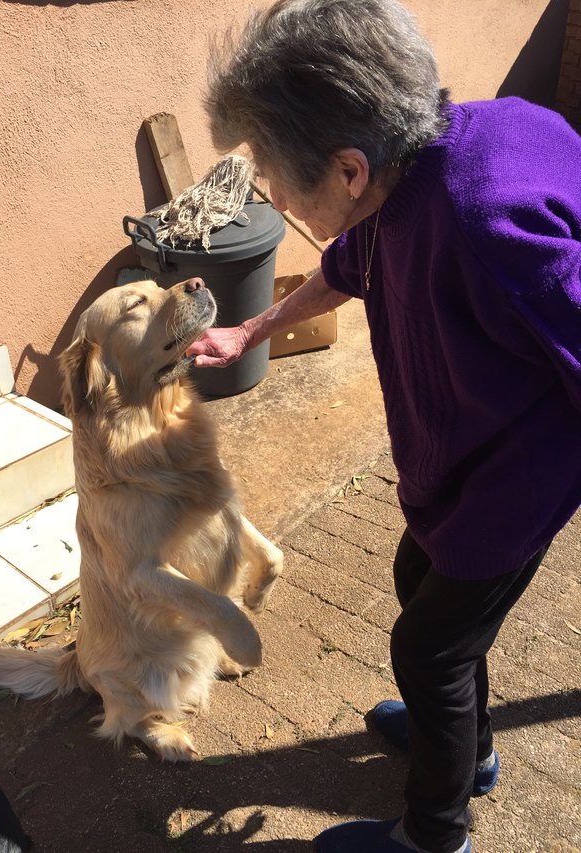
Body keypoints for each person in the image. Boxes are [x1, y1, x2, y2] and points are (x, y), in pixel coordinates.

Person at [189, 0, 581, 851]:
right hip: (455, 460)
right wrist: (251, 329)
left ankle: (436, 832)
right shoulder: (401, 179)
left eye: (274, 177)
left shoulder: (488, 221)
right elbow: (345, 267)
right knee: (417, 577)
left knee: (430, 648)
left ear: (349, 170)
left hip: (514, 482)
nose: (273, 196)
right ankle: (467, 746)